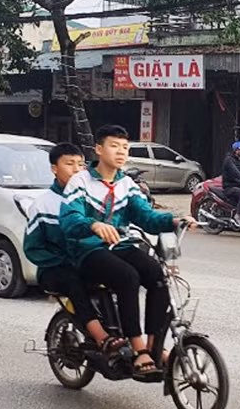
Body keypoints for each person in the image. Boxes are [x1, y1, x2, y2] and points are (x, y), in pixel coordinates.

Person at [60, 125, 195, 381]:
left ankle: (154, 346)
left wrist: (175, 221)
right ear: (99, 149)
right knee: (127, 277)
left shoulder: (126, 184)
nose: (121, 152)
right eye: (114, 146)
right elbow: (69, 218)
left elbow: (146, 216)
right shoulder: (81, 181)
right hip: (87, 250)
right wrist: (93, 224)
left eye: (125, 147)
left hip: (119, 246)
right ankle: (137, 347)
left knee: (157, 274)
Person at [23, 143, 128, 358]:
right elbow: (32, 248)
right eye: (69, 164)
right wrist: (63, 260)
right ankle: (102, 338)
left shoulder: (90, 199)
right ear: (54, 168)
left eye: (80, 164)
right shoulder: (42, 204)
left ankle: (127, 337)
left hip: (85, 261)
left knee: (119, 279)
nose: (76, 169)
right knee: (74, 281)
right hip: (54, 269)